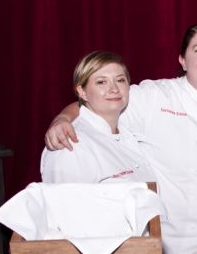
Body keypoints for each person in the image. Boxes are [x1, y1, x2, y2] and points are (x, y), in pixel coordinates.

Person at [44, 23, 197, 254]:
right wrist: (62, 119)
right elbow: (100, 102)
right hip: (176, 247)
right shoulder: (155, 97)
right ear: (182, 60)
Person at [40, 51, 155, 184]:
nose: (114, 89)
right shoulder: (70, 144)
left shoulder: (128, 136)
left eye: (120, 80)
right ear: (82, 92)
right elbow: (62, 203)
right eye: (101, 82)